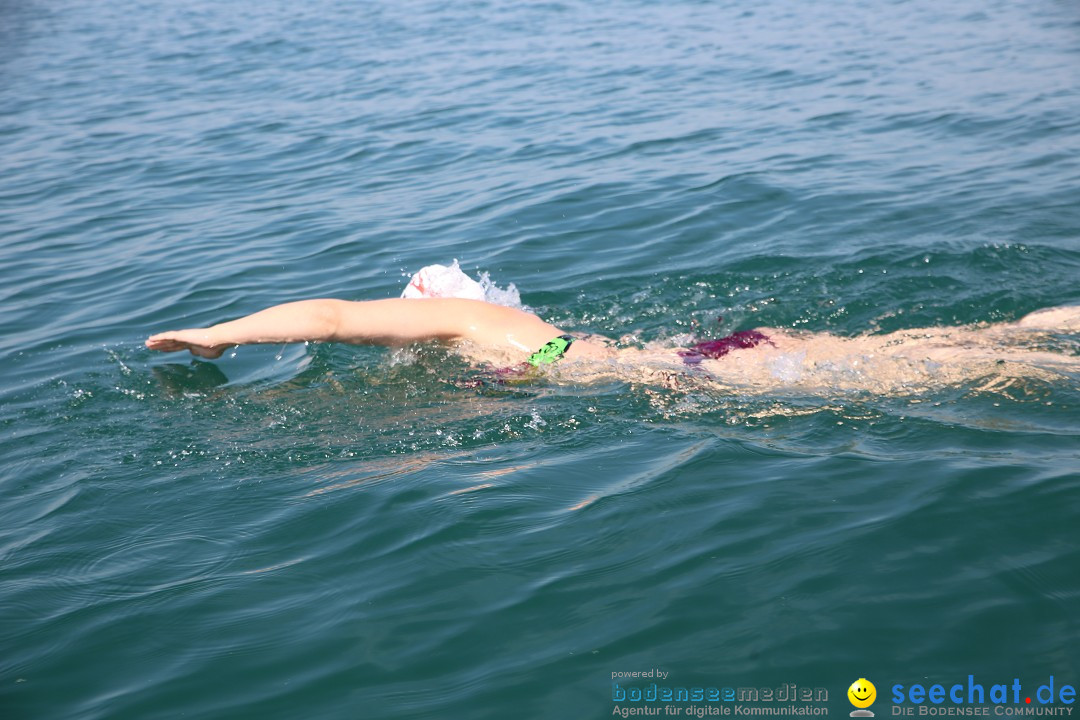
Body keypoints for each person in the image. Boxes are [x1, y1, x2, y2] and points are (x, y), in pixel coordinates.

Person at [145, 295, 1079, 395]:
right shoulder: (510, 327)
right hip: (716, 346)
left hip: (697, 371)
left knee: (941, 376)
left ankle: (1044, 351)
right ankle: (1046, 328)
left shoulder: (466, 324)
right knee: (932, 346)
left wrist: (219, 336)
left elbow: (336, 319)